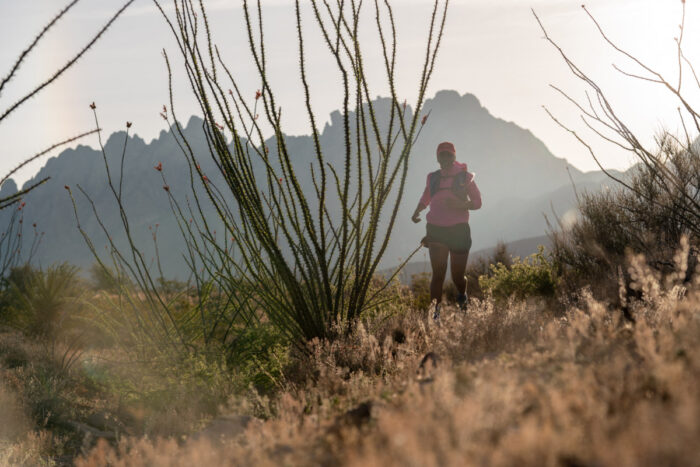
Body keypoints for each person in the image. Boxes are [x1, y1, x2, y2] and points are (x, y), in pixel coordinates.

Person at [411, 141, 482, 320]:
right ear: (437, 157)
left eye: (448, 154)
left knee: (457, 276)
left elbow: (477, 202)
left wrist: (460, 204)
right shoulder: (432, 177)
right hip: (436, 229)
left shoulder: (465, 177)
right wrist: (418, 209)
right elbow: (427, 195)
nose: (445, 158)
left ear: (454, 156)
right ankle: (435, 316)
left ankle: (462, 296)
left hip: (459, 230)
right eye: (442, 154)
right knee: (438, 274)